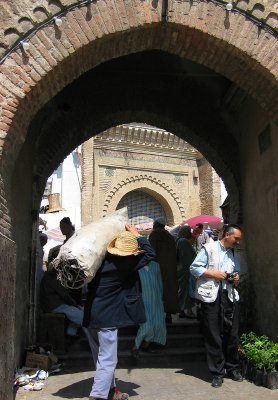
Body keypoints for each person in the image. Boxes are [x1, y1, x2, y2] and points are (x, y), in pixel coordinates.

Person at [83, 224, 156, 400]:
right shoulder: (125, 264)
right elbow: (151, 254)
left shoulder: (98, 261)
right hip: (107, 320)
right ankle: (98, 395)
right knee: (108, 359)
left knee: (101, 359)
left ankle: (111, 391)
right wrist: (138, 236)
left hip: (91, 317)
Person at [190, 224, 243, 388]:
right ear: (227, 235)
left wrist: (235, 278)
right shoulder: (209, 248)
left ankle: (232, 368)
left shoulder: (234, 252)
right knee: (213, 335)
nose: (238, 242)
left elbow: (238, 272)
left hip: (230, 296)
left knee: (232, 334)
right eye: (237, 238)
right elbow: (194, 268)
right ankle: (217, 373)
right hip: (211, 297)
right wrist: (214, 274)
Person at [131, 260, 166, 358]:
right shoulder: (135, 266)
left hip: (156, 300)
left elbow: (160, 283)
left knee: (157, 323)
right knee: (147, 325)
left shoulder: (156, 265)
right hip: (142, 300)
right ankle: (135, 347)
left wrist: (161, 298)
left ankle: (145, 345)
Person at [40, 264, 84, 338]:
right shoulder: (53, 277)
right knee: (82, 317)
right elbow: (64, 295)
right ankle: (71, 334)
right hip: (54, 306)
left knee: (79, 311)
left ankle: (71, 333)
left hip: (54, 304)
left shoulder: (51, 276)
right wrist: (74, 304)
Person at [149, 217, 179, 323]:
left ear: (156, 224)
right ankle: (168, 315)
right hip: (170, 268)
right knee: (169, 290)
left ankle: (157, 315)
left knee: (157, 290)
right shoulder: (170, 237)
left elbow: (151, 252)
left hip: (157, 268)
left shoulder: (154, 235)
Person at [176, 226, 197, 318]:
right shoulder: (183, 242)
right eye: (189, 231)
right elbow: (188, 257)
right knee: (187, 291)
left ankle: (182, 310)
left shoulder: (178, 241)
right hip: (185, 270)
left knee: (182, 291)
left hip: (180, 269)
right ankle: (188, 311)